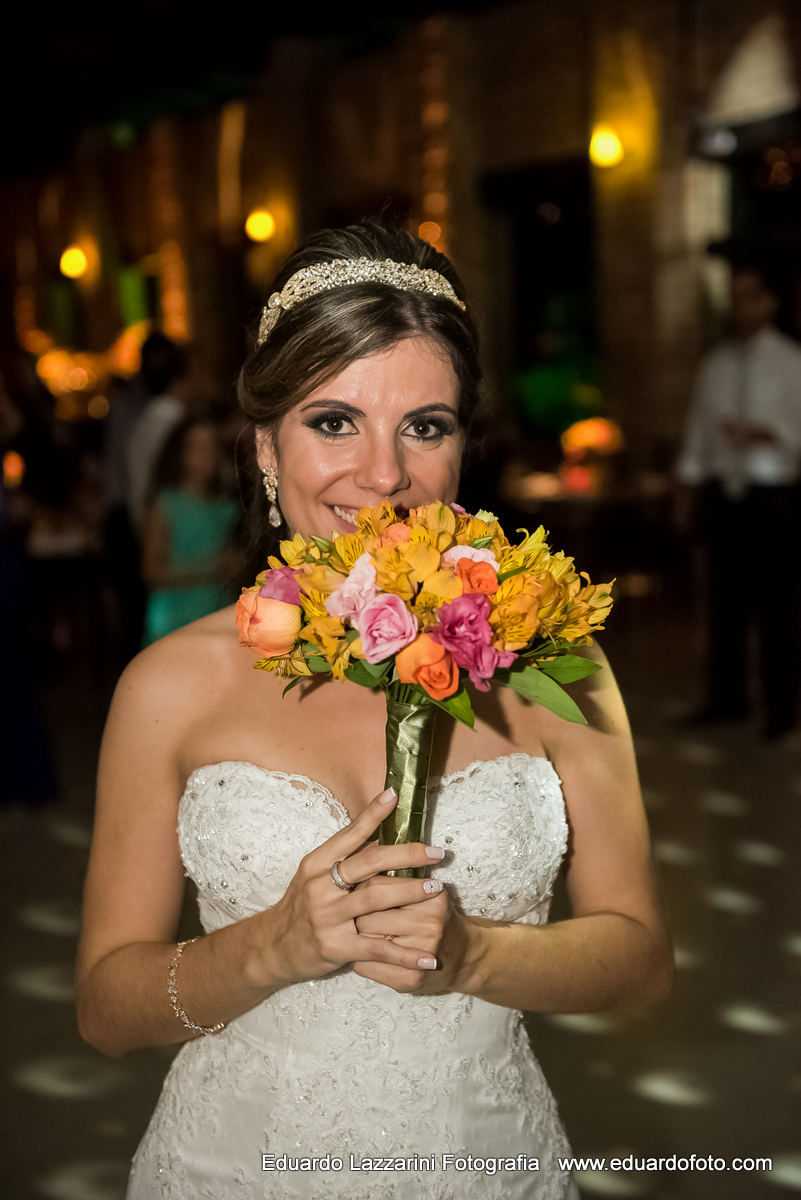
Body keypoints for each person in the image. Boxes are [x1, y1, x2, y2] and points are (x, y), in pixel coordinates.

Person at [76, 221, 672, 1200]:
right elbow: (106, 1010)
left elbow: (640, 959)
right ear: (266, 445)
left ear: (462, 445)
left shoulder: (556, 660)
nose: (385, 474)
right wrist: (270, 948)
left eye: (424, 426)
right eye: (334, 421)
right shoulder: (166, 687)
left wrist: (476, 955)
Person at [676, 265, 801, 738]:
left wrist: (770, 433)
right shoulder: (716, 364)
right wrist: (687, 490)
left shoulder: (791, 362)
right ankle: (726, 699)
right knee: (723, 606)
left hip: (775, 498)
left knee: (777, 610)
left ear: (769, 302)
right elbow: (698, 432)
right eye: (735, 297)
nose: (740, 306)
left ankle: (780, 711)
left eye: (749, 297)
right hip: (725, 497)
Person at [142, 416, 239, 645]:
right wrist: (214, 567)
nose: (207, 455)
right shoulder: (167, 504)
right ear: (181, 454)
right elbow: (152, 570)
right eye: (198, 447)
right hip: (174, 621)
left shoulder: (228, 507)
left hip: (217, 617)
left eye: (212, 447)